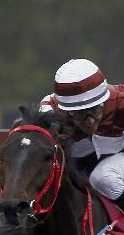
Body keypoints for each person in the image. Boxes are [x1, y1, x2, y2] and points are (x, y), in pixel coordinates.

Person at [39, 59, 124, 204]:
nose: (90, 121)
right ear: (66, 111)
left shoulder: (120, 102)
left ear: (104, 100)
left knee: (104, 178)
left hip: (118, 156)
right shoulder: (50, 113)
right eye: (80, 114)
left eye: (95, 109)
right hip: (78, 164)